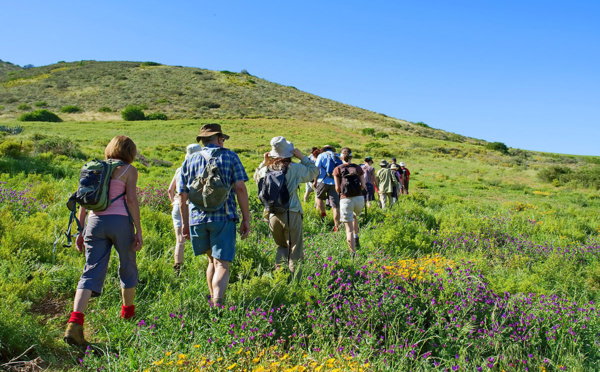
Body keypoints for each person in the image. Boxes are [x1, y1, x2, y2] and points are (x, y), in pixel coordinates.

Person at [64, 136, 143, 346]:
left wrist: (80, 230)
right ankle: (128, 315)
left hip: (94, 223)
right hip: (120, 223)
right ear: (130, 152)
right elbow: (132, 200)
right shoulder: (129, 171)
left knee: (91, 270)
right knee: (127, 265)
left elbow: (83, 200)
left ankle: (75, 322)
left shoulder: (95, 169)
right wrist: (139, 230)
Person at [178, 124, 250, 307]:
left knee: (211, 260)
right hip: (223, 217)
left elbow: (182, 195)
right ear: (219, 139)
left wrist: (185, 224)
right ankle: (218, 306)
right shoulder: (231, 157)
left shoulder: (190, 160)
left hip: (197, 218)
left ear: (203, 140)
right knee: (222, 264)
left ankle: (212, 301)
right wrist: (246, 218)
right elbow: (240, 188)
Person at [254, 137, 319, 275]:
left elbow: (256, 178)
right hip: (291, 213)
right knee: (295, 250)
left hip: (272, 214)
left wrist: (263, 163)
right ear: (289, 154)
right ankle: (295, 283)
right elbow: (314, 171)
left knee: (281, 247)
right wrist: (302, 157)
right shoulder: (295, 168)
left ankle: (280, 278)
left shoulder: (265, 170)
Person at [168, 143, 201, 274]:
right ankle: (206, 265)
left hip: (177, 205)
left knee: (180, 240)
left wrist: (174, 203)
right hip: (192, 207)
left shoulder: (179, 169)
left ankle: (178, 268)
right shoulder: (198, 169)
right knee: (201, 237)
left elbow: (170, 190)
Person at [332, 148, 365, 255]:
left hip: (345, 199)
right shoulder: (358, 168)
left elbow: (337, 188)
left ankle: (353, 252)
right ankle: (357, 237)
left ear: (341, 157)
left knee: (348, 229)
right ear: (351, 157)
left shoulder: (337, 169)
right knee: (355, 216)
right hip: (359, 198)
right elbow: (363, 185)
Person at [314, 145, 342, 231]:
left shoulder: (321, 156)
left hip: (322, 180)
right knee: (335, 206)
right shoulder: (337, 156)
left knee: (319, 197)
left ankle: (323, 216)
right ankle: (336, 226)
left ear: (323, 150)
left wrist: (315, 181)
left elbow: (316, 168)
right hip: (335, 182)